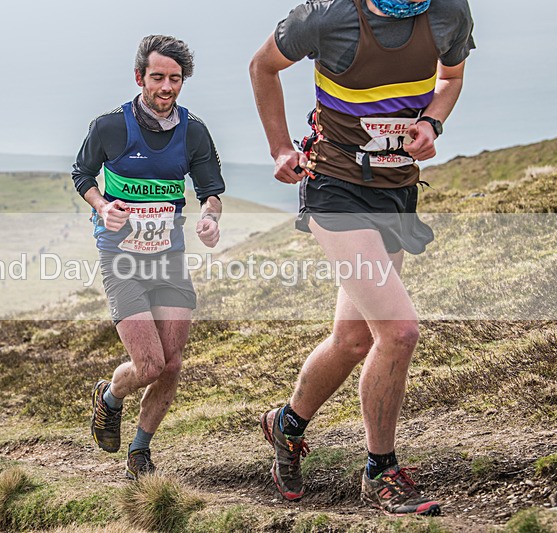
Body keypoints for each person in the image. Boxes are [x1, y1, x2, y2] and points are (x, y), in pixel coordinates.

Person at [250, 0, 474, 516]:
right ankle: (380, 471)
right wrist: (281, 148)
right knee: (398, 331)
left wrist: (432, 123)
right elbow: (263, 65)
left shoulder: (448, 11)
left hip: (396, 189)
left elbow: (451, 77)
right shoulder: (327, 16)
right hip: (335, 188)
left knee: (352, 339)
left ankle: (285, 425)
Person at [72, 35, 225, 479]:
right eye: (157, 77)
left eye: (175, 79)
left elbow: (210, 191)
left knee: (172, 364)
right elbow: (81, 173)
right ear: (140, 77)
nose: (166, 87)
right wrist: (103, 207)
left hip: (169, 259)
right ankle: (110, 398)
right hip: (121, 259)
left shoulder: (193, 132)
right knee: (149, 365)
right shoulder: (110, 127)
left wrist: (210, 218)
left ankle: (140, 451)